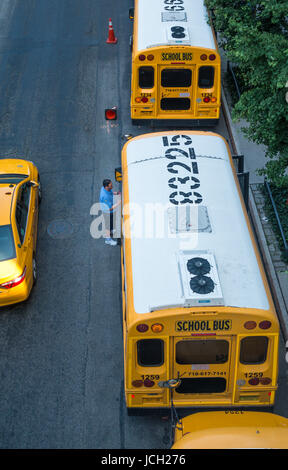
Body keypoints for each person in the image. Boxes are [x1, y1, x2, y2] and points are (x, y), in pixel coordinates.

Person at [99, 179, 120, 246]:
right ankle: (108, 240)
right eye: (111, 185)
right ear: (106, 186)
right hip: (107, 211)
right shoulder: (105, 196)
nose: (112, 186)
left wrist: (116, 193)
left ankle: (111, 231)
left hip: (109, 209)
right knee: (107, 225)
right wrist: (118, 203)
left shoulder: (104, 188)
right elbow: (110, 209)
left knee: (111, 222)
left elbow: (110, 192)